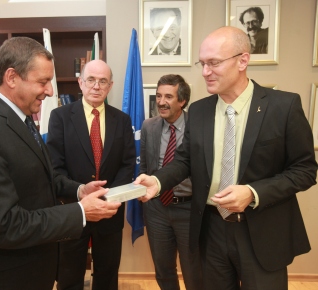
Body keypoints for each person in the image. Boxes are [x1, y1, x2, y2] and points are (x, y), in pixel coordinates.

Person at [135, 26, 317, 290]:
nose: (205, 71)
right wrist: (157, 181)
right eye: (203, 63)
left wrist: (253, 193)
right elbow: (185, 160)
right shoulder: (199, 111)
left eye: (214, 63)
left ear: (243, 60)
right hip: (211, 231)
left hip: (263, 231)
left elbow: (304, 170)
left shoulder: (283, 107)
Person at [0, 37, 121, 290]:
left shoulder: (23, 118)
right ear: (12, 77)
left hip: (33, 268)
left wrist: (79, 190)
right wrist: (81, 211)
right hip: (6, 277)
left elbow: (41, 177)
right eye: (43, 82)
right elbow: (5, 225)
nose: (50, 91)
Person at [47, 59, 135, 290]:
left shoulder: (123, 120)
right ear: (81, 82)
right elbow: (55, 167)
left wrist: (108, 198)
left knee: (107, 274)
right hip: (73, 209)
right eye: (91, 80)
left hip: (110, 210)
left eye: (103, 81)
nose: (97, 86)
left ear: (110, 85)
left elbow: (127, 165)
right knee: (69, 273)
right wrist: (82, 195)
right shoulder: (60, 117)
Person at [140, 74, 202, 290]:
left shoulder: (199, 127)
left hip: (189, 209)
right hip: (157, 208)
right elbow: (145, 167)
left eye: (168, 96)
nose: (161, 102)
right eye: (158, 96)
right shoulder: (149, 126)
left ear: (182, 100)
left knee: (194, 272)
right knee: (163, 269)